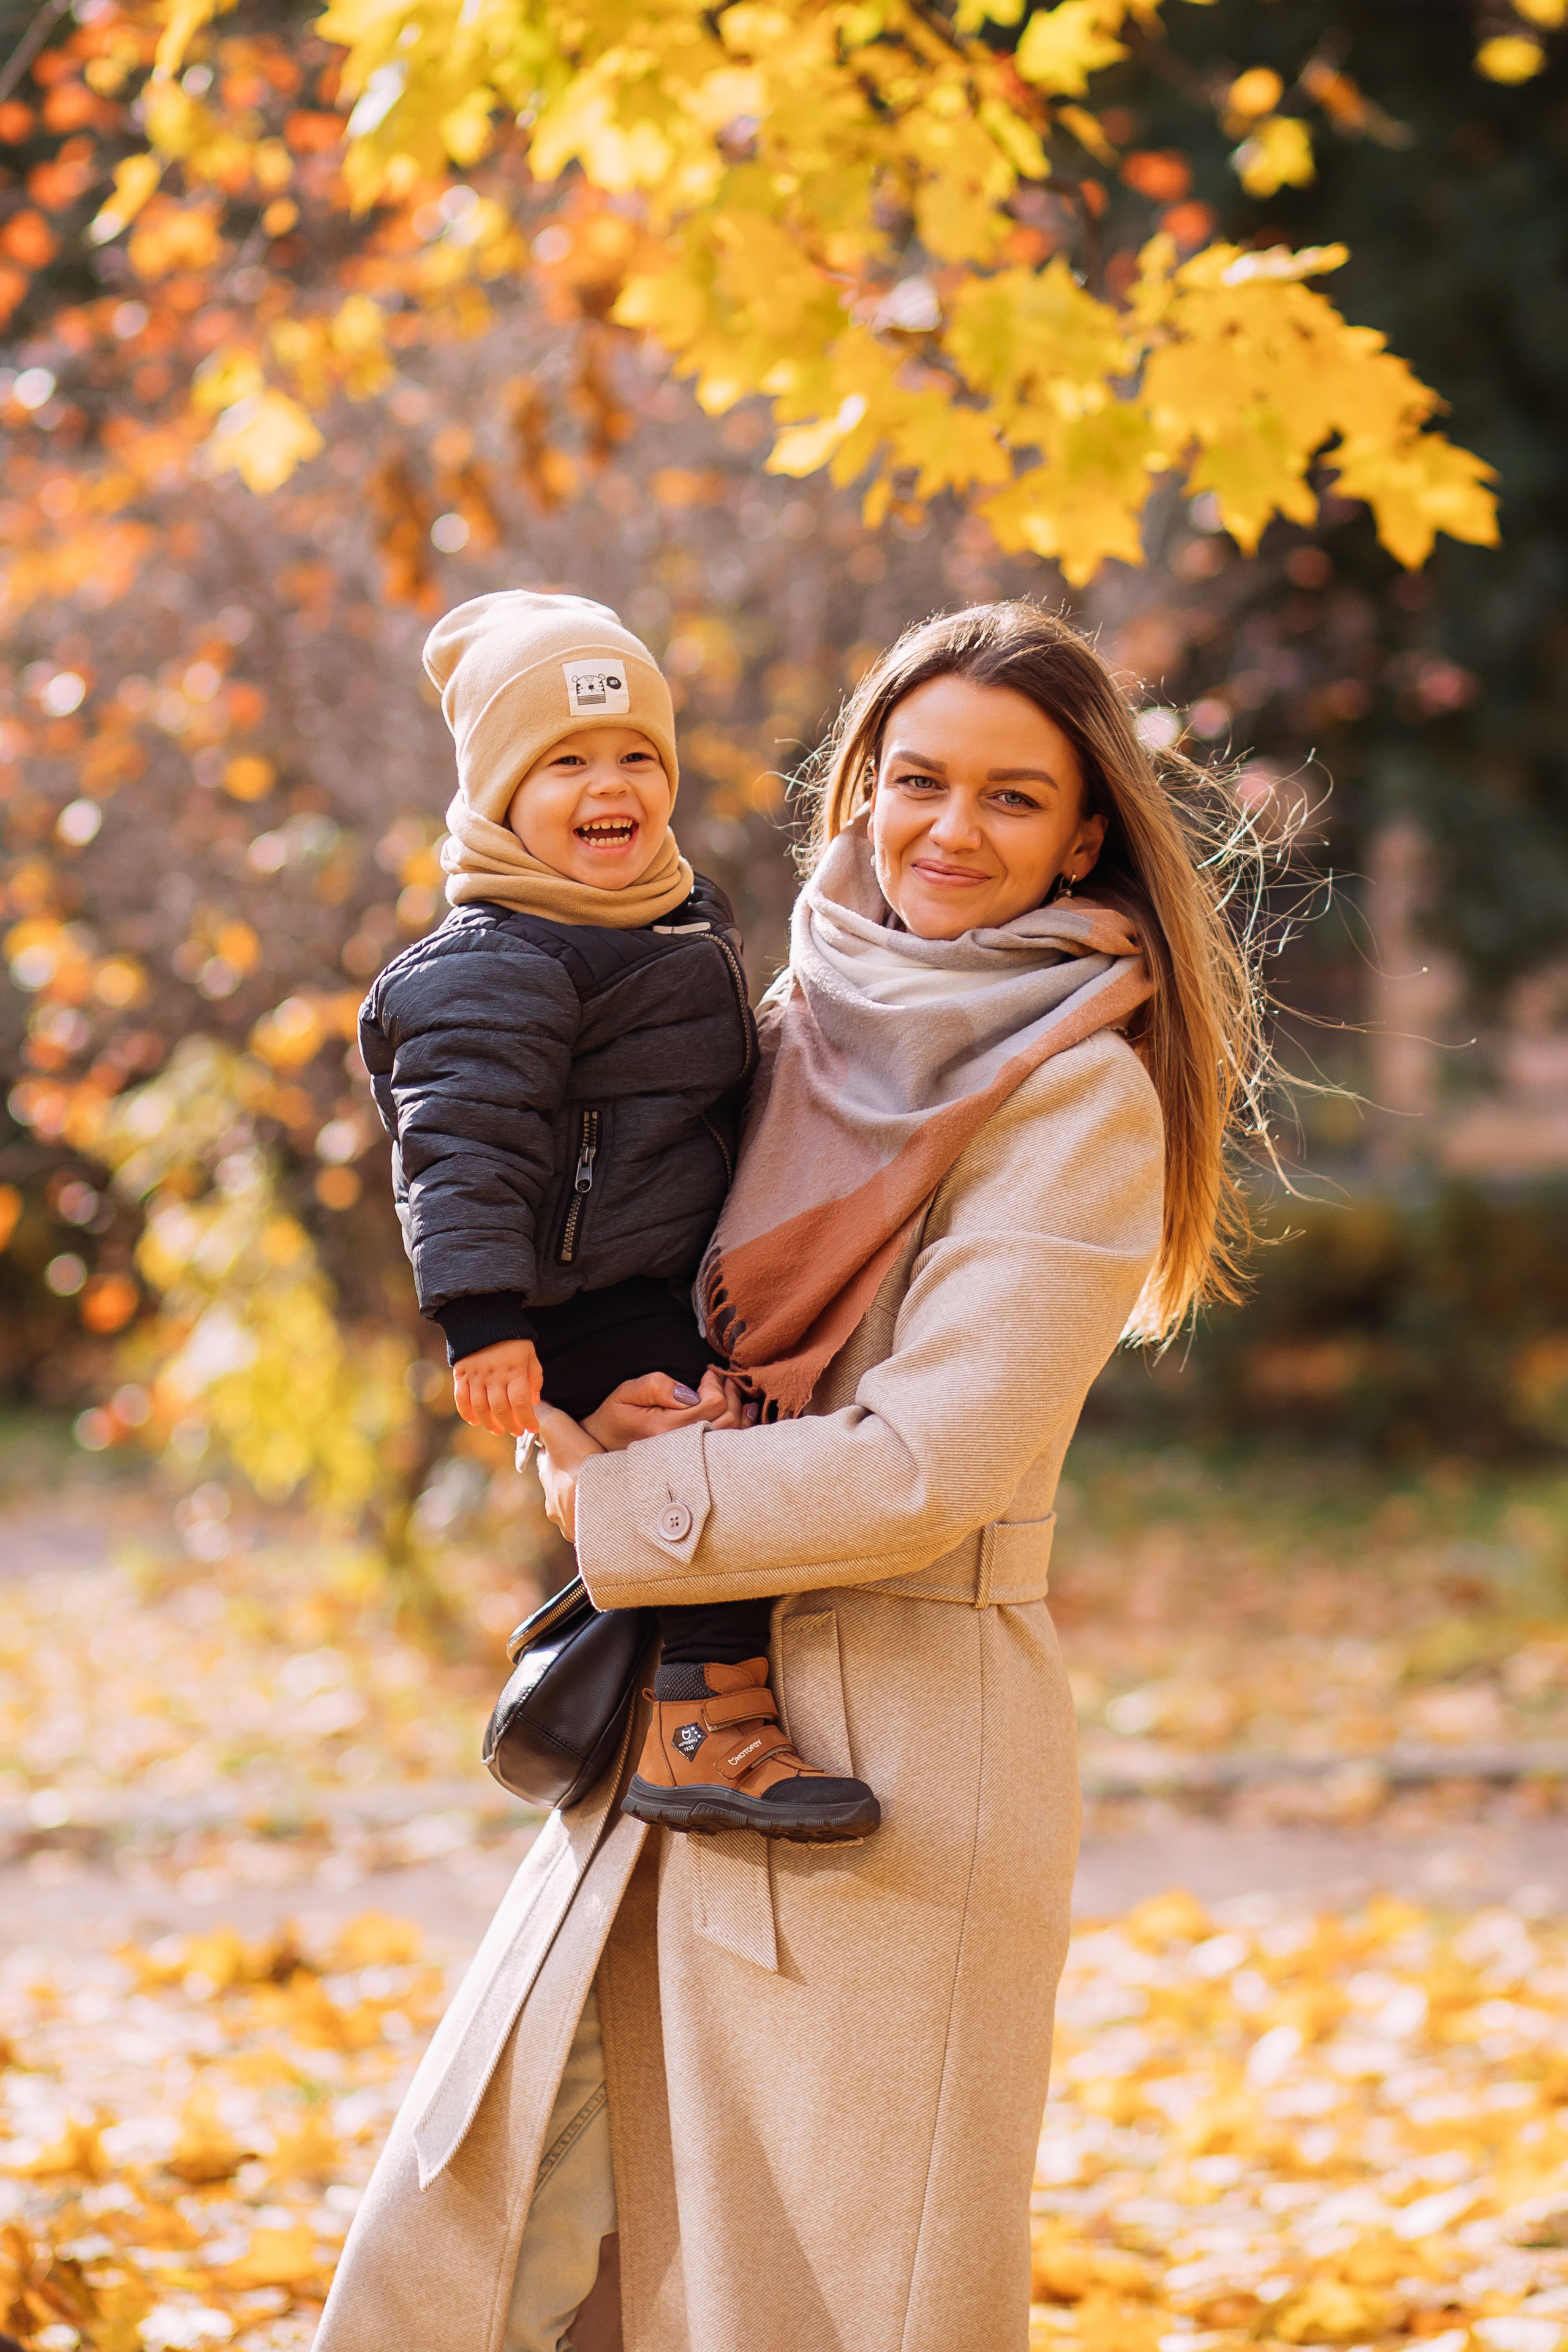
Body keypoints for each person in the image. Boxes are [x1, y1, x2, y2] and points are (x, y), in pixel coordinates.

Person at [317, 600, 1267, 2352]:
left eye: (1009, 798)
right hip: (685, 1724)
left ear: (1082, 836)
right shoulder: (787, 1013)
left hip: (892, 1758)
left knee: (840, 2298)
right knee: (552, 2252)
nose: (950, 833)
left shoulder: (1077, 1102)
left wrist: (611, 1500)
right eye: (916, 781)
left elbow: (933, 1465)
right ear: (858, 797)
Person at [360, 589, 879, 1839]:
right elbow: (462, 1150)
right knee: (689, 1455)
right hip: (579, 1296)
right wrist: (486, 1325)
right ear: (495, 796)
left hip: (668, 1269)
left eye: (637, 755)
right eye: (566, 763)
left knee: (708, 1450)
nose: (614, 785)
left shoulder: (672, 914)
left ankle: (626, 1649)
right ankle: (702, 1728)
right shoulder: (494, 959)